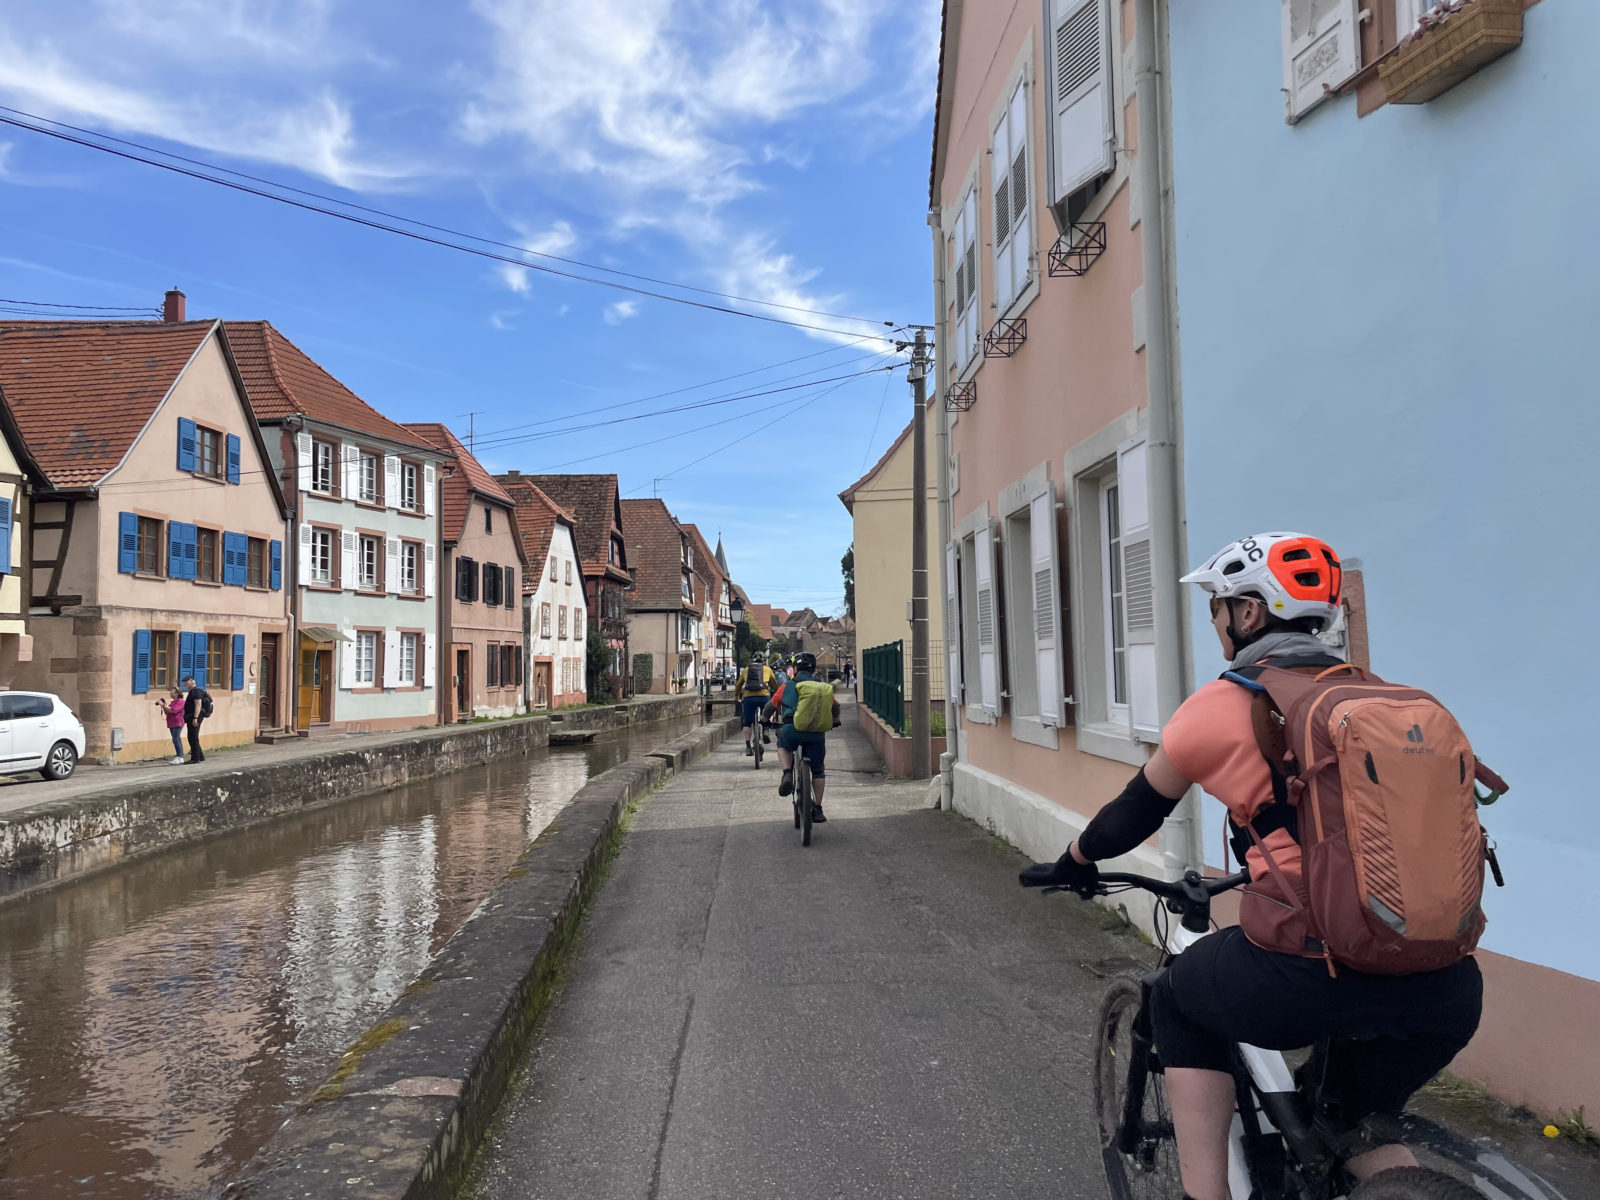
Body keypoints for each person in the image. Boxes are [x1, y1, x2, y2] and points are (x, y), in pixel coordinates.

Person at [1021, 533, 1483, 1200]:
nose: (1216, 623)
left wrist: (1072, 862)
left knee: (1178, 1003)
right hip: (1445, 983)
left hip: (1308, 970)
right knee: (1345, 1120)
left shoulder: (1223, 703)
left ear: (1250, 614)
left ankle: (1203, 1193)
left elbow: (1133, 813)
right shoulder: (1386, 700)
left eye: (1218, 608)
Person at [763, 652, 840, 822]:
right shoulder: (822, 687)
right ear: (813, 670)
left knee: (783, 746)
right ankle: (818, 809)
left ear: (795, 669)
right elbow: (835, 707)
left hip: (792, 730)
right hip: (816, 734)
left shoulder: (787, 686)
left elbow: (770, 707)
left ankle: (787, 774)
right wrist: (836, 721)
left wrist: (763, 720)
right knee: (818, 770)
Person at [734, 653, 777, 755]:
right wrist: (777, 693)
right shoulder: (768, 669)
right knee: (767, 714)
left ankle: (748, 746)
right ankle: (766, 729)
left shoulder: (746, 670)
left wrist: (736, 697)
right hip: (764, 697)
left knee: (747, 722)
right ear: (763, 661)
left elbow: (738, 685)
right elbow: (774, 684)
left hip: (749, 698)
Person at [181, 674, 212, 764]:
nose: (185, 685)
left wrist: (195, 717)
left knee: (192, 736)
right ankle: (200, 756)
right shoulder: (193, 691)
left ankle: (195, 758)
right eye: (184, 683)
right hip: (192, 716)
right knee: (193, 736)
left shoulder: (196, 691)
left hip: (195, 716)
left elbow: (198, 705)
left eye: (186, 683)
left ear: (191, 681)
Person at [157, 687, 186, 764]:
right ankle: (179, 756)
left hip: (178, 722)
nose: (170, 694)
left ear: (177, 693)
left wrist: (164, 705)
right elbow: (168, 712)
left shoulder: (181, 701)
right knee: (176, 739)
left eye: (172, 693)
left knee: (175, 739)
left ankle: (179, 756)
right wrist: (164, 706)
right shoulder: (173, 702)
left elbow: (173, 710)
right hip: (171, 722)